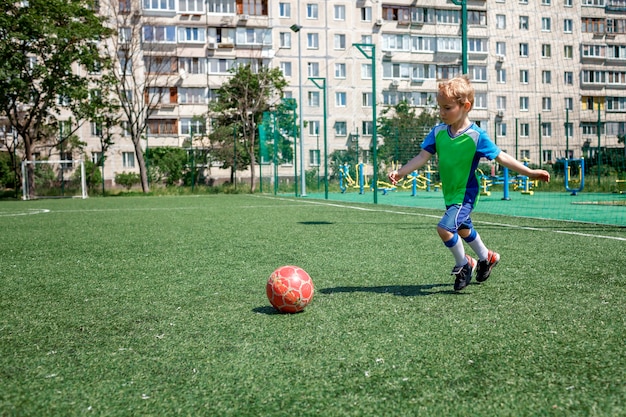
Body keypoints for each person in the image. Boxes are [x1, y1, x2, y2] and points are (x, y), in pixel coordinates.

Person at [388, 75, 550, 291]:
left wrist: (529, 172)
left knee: (445, 229)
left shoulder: (476, 135)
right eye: (440, 108)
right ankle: (487, 257)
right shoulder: (438, 133)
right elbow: (421, 157)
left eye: (447, 108)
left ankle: (464, 264)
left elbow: (501, 157)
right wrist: (400, 172)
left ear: (465, 106)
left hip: (465, 194)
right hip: (450, 193)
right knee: (463, 229)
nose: (441, 113)